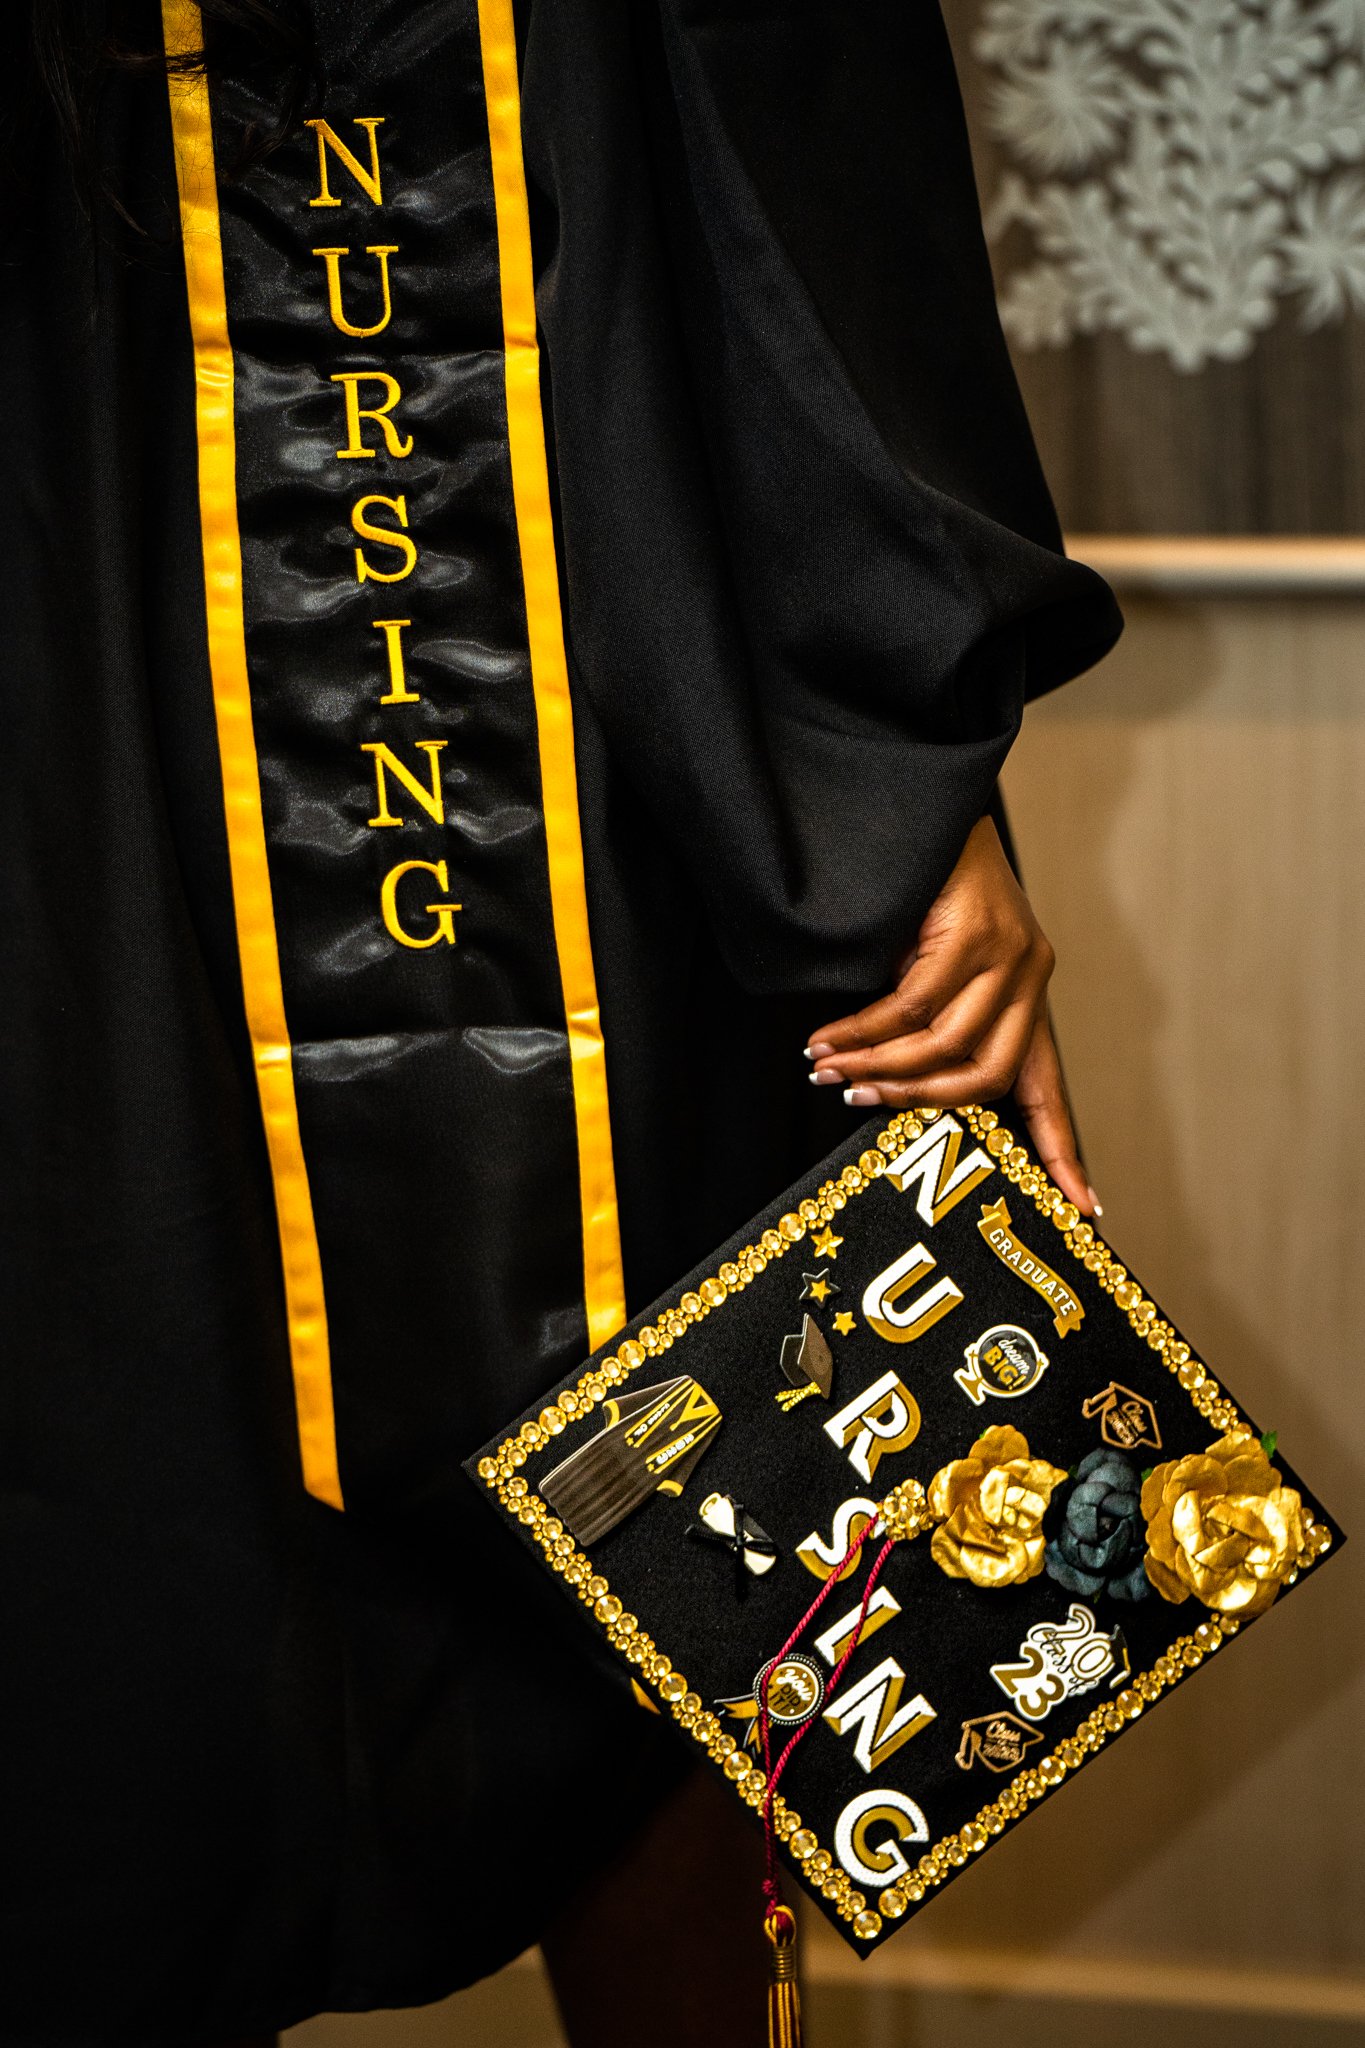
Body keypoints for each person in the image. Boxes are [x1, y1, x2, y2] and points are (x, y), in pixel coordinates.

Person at [1, 0, 1120, 2042]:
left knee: (722, 1591)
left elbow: (808, 205)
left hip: (636, 764)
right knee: (110, 1687)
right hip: (86, 802)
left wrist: (900, 784)